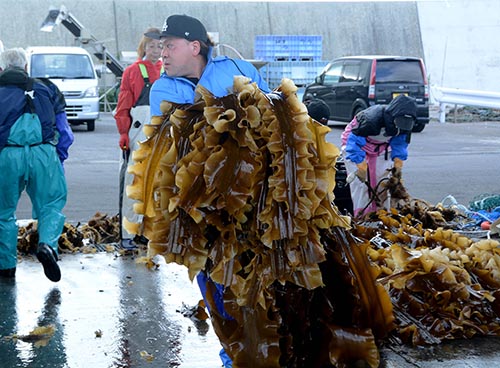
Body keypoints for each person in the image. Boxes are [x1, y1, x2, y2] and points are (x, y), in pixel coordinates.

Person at [147, 14, 270, 368]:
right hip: (200, 209)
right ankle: (232, 357)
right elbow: (175, 143)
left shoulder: (236, 69)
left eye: (169, 45)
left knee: (259, 283)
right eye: (161, 46)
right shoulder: (164, 88)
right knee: (216, 285)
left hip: (251, 200)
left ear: (194, 46)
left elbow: (270, 114)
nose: (162, 53)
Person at [0, 48, 74, 281]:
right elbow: (64, 131)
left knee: (3, 213)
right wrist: (58, 158)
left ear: (2, 69)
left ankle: (6, 266)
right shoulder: (47, 88)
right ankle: (47, 246)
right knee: (51, 204)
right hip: (43, 153)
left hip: (7, 155)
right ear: (25, 68)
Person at [115, 28, 163, 249]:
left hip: (161, 130)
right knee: (133, 182)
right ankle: (127, 233)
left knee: (157, 182)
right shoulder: (133, 71)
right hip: (139, 130)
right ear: (143, 47)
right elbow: (123, 105)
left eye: (160, 46)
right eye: (151, 45)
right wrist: (123, 132)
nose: (156, 50)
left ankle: (147, 232)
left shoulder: (167, 71)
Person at [340, 94, 417, 217]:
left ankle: (382, 215)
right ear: (392, 115)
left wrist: (397, 165)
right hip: (355, 145)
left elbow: (400, 144)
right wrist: (361, 166)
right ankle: (361, 216)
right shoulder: (371, 119)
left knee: (383, 183)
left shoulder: (405, 125)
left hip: (381, 147)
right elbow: (353, 144)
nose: (402, 125)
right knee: (361, 186)